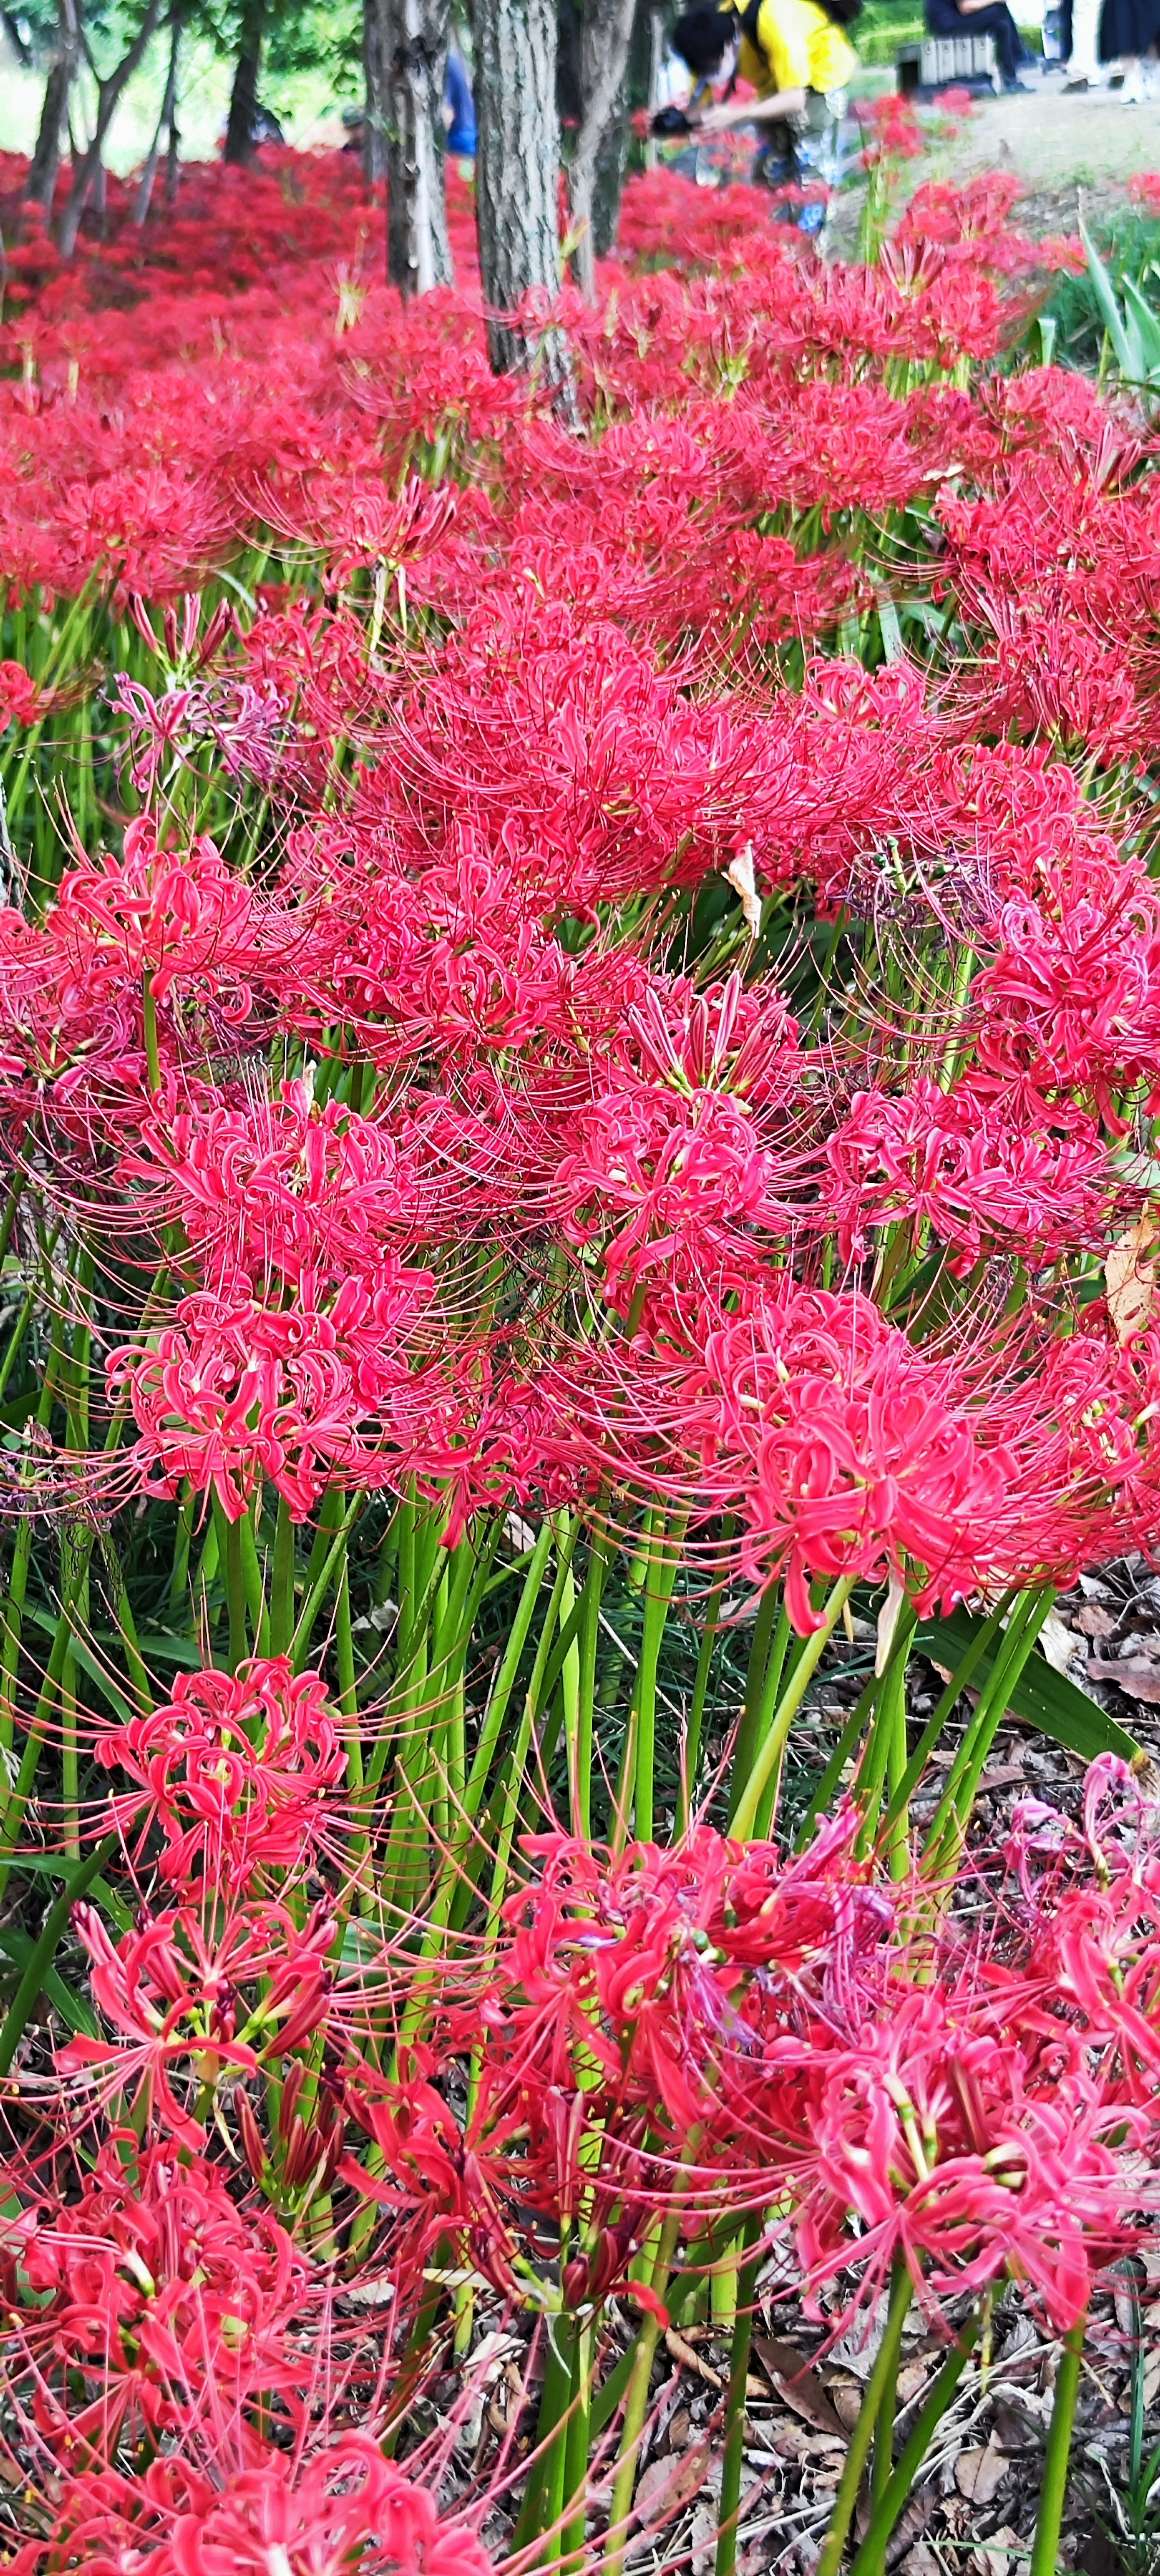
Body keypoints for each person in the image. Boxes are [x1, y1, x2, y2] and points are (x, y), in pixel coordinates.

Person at [671, 0, 859, 233]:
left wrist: (736, 115)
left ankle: (809, 253)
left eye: (712, 67)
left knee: (811, 184)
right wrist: (679, 123)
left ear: (730, 45)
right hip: (773, 87)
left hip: (818, 83)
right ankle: (771, 249)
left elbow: (795, 99)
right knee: (769, 176)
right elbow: (699, 104)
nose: (709, 75)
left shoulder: (776, 19)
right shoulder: (705, 36)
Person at [923, 0, 1033, 88]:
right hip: (947, 22)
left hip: (949, 18)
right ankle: (1018, 59)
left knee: (1001, 24)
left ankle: (1014, 69)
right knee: (999, 11)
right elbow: (966, 7)